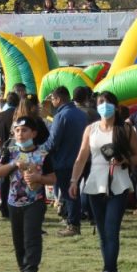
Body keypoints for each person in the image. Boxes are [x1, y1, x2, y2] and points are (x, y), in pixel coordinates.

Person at [68, 91, 137, 272]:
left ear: (116, 107)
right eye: (100, 103)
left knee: (111, 228)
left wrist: (124, 159)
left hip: (119, 181)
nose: (104, 106)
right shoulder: (91, 129)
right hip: (95, 182)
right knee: (101, 232)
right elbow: (82, 156)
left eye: (108, 103)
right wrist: (74, 180)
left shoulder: (126, 129)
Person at [0, 116, 56, 272]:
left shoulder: (43, 154)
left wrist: (39, 178)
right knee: (18, 241)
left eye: (24, 130)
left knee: (32, 238)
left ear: (34, 133)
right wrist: (14, 164)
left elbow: (53, 178)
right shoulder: (11, 151)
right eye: (17, 130)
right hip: (13, 203)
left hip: (34, 202)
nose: (20, 134)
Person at [43, 86, 89, 237]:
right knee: (74, 192)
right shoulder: (81, 114)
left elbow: (53, 141)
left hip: (64, 160)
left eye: (52, 99)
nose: (52, 102)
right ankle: (72, 220)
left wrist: (40, 150)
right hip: (81, 159)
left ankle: (73, 225)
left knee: (70, 194)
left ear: (58, 99)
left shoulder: (61, 116)